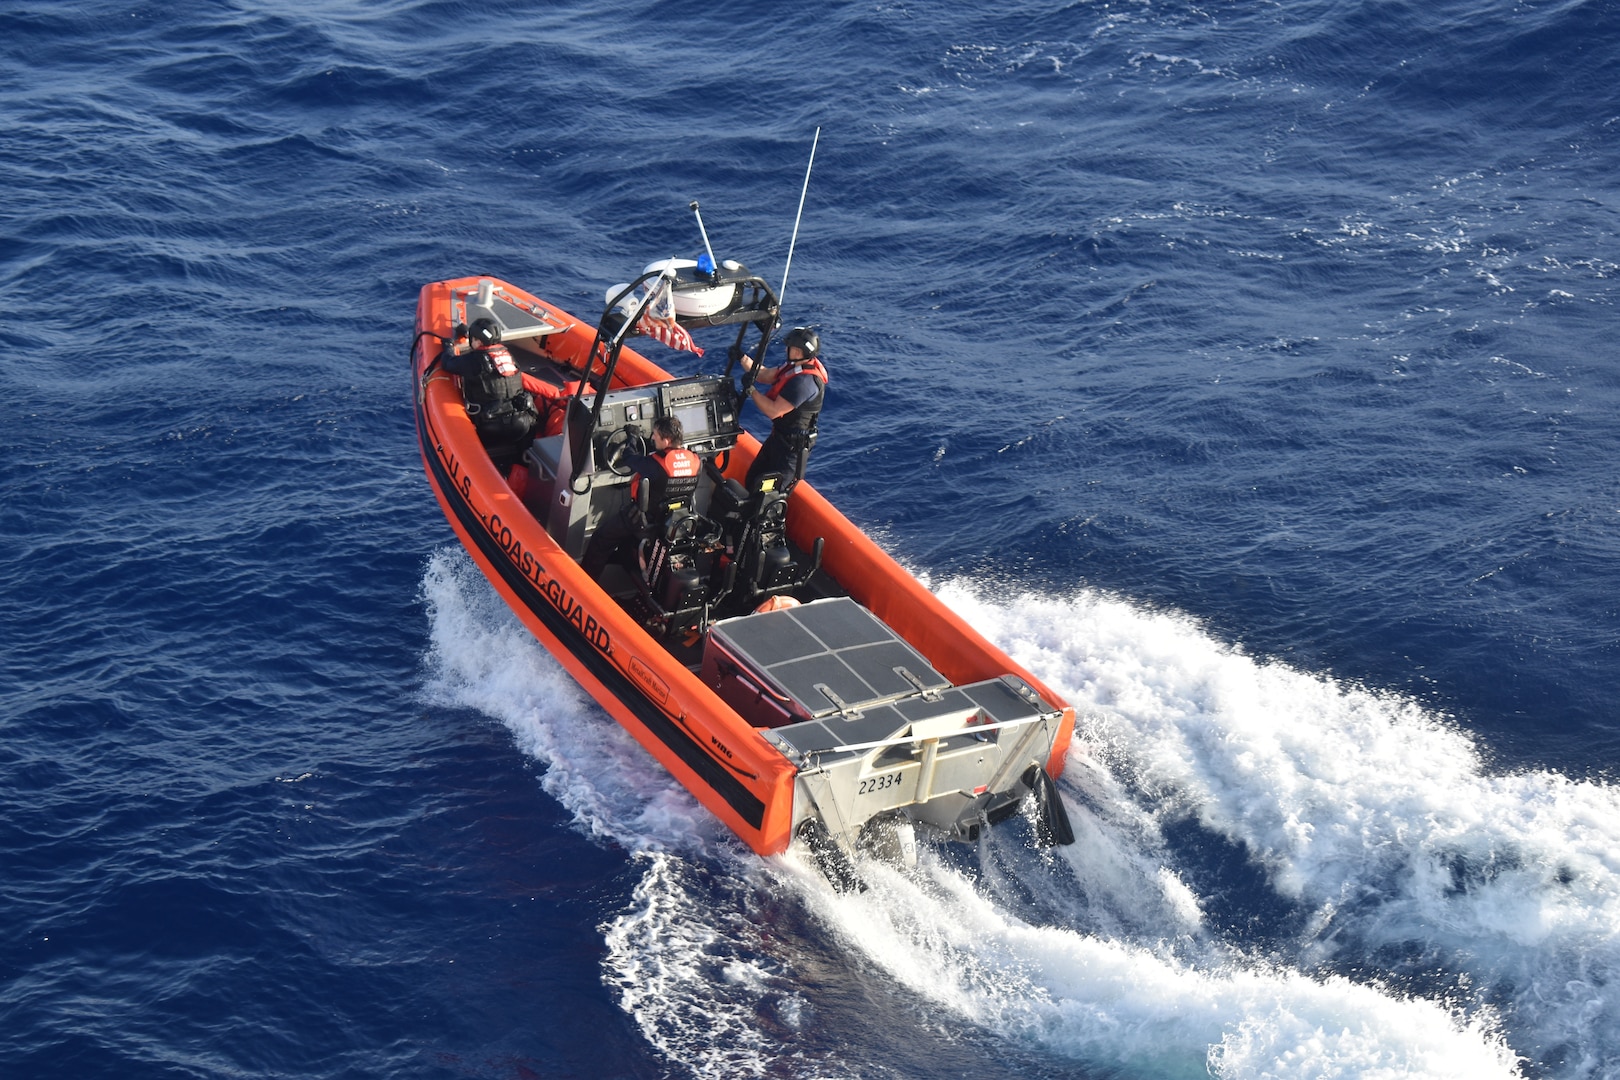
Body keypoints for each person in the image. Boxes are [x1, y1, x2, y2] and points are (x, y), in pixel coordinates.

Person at [582, 415, 702, 580]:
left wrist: (632, 438)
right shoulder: (696, 461)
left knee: (601, 539)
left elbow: (629, 457)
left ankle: (586, 580)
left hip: (645, 519)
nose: (652, 438)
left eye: (655, 435)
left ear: (666, 441)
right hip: (675, 519)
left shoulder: (655, 464)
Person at [439, 318, 560, 470]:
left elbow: (448, 363)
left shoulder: (473, 361)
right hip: (521, 424)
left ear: (477, 340)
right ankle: (522, 465)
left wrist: (448, 346)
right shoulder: (508, 355)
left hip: (491, 427)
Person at [738, 326, 829, 492]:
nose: (787, 350)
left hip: (790, 452)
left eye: (792, 348)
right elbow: (765, 374)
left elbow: (774, 410)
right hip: (778, 440)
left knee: (768, 493)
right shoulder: (794, 367)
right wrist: (742, 358)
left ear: (800, 352)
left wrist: (751, 391)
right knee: (753, 477)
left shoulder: (803, 383)